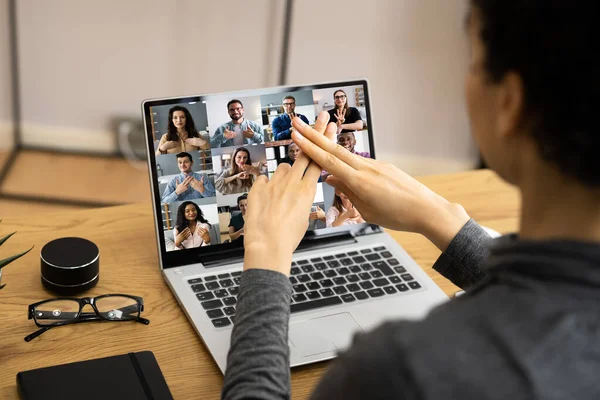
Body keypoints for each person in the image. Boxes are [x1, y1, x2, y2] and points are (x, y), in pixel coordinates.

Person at [222, 1, 600, 399]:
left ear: (510, 102)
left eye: (473, 61)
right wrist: (442, 217)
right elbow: (555, 299)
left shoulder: (403, 372)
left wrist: (266, 256)